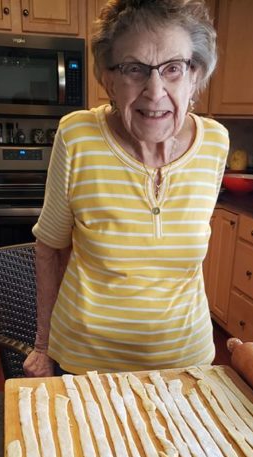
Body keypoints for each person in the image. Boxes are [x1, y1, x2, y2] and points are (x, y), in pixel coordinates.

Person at [23, 0, 229, 378]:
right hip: (87, 364)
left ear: (194, 76)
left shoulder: (215, 143)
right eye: (135, 69)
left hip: (185, 361)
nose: (155, 91)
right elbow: (49, 247)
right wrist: (42, 346)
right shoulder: (77, 136)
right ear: (109, 79)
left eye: (173, 69)